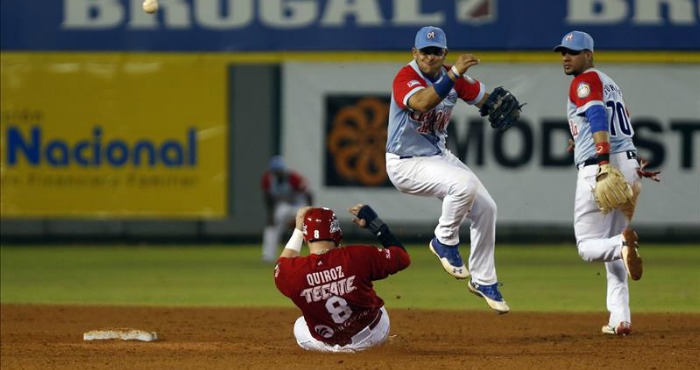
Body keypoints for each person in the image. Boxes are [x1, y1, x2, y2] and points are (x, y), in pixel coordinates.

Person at [385, 26, 517, 314]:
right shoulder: (406, 77)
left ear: (444, 53)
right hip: (404, 162)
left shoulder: (453, 76)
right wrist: (454, 74)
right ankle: (444, 240)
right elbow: (422, 101)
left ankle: (483, 279)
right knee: (464, 184)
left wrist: (493, 102)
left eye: (436, 52)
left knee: (487, 208)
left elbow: (485, 98)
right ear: (414, 52)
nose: (430, 57)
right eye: (425, 51)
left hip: (436, 156)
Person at [554, 30, 659, 336]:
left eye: (572, 52)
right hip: (627, 164)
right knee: (617, 251)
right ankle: (621, 319)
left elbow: (598, 115)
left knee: (589, 247)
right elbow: (619, 119)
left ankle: (621, 245)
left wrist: (601, 160)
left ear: (589, 54)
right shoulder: (610, 82)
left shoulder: (584, 81)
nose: (565, 57)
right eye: (563, 52)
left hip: (602, 167)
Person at [273, 204, 411, 353]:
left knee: (300, 325)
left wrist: (299, 229)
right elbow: (402, 258)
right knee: (374, 303)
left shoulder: (292, 272)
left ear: (306, 237)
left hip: (330, 344)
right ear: (337, 233)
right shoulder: (357, 255)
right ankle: (375, 344)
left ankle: (338, 349)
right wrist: (376, 225)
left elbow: (281, 265)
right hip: (375, 334)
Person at [261, 155, 313, 263]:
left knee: (311, 227)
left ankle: (317, 253)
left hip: (299, 205)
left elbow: (309, 194)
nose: (277, 173)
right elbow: (267, 198)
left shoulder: (293, 178)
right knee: (272, 225)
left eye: (278, 170)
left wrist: (310, 212)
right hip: (283, 206)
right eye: (275, 171)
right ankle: (268, 255)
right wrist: (270, 214)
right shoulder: (268, 179)